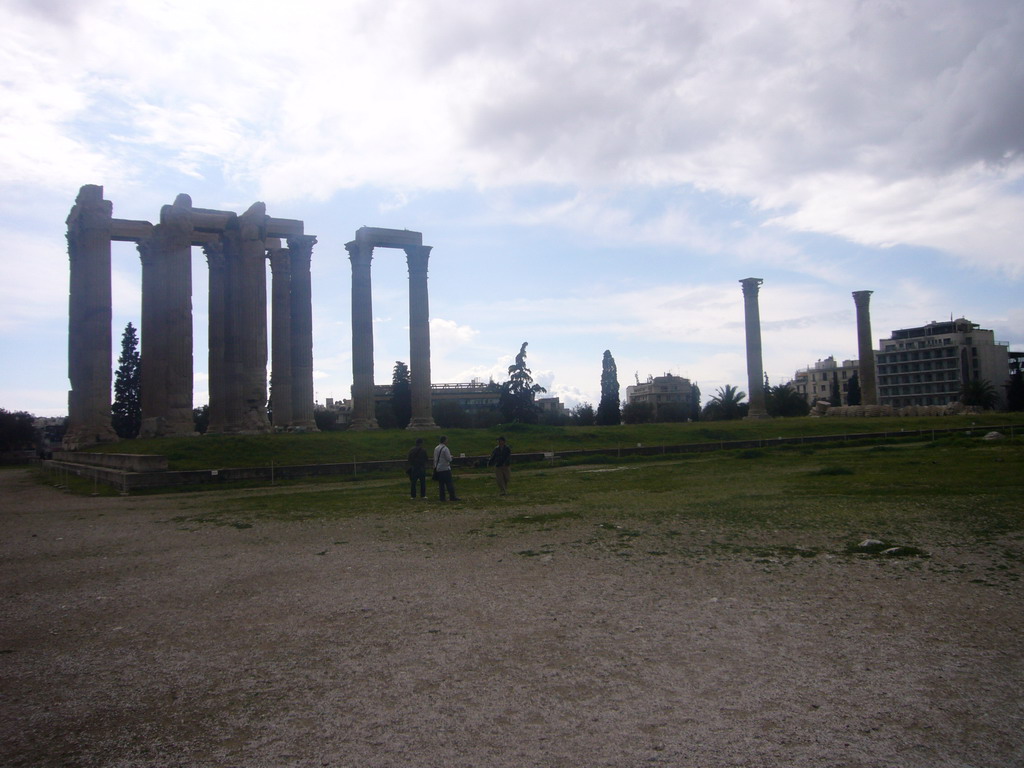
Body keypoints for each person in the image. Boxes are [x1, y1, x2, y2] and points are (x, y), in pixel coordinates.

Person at [432, 435, 459, 502]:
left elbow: (435, 458)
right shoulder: (445, 448)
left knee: (441, 485)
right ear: (444, 441)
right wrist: (451, 457)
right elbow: (448, 459)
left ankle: (442, 498)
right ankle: (452, 497)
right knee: (449, 483)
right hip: (445, 468)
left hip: (438, 468)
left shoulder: (436, 448)